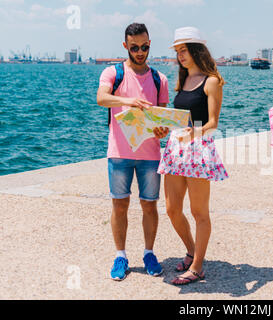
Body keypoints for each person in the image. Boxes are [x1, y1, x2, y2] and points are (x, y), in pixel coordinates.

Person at [96, 23, 170, 281]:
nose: (140, 51)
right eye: (135, 47)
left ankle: (149, 253)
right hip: (119, 153)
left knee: (150, 207)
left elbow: (162, 117)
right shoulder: (112, 73)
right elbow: (102, 98)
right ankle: (120, 255)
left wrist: (163, 131)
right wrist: (129, 101)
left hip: (150, 154)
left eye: (145, 46)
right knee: (120, 205)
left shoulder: (159, 79)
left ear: (150, 44)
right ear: (125, 46)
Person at [157, 27, 229, 285]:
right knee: (172, 209)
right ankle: (191, 250)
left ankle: (197, 267)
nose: (180, 56)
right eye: (178, 52)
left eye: (184, 50)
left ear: (197, 50)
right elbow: (179, 117)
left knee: (199, 212)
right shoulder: (182, 80)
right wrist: (165, 127)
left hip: (198, 149)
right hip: (176, 148)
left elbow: (213, 123)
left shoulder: (212, 81)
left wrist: (195, 132)